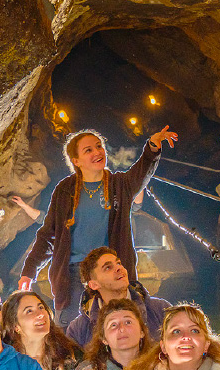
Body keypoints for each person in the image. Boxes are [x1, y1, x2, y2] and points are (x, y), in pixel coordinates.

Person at [18, 125, 178, 329]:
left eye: (99, 146)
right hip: (73, 275)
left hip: (112, 272)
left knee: (121, 328)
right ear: (76, 161)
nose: (97, 152)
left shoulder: (119, 184)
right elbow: (49, 234)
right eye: (89, 150)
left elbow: (141, 173)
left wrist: (153, 147)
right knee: (72, 335)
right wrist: (29, 270)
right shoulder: (65, 190)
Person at [65, 247, 169, 348]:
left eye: (118, 263)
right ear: (94, 285)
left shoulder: (160, 310)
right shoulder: (78, 330)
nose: (119, 268)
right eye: (108, 268)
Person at [0, 291, 82, 370]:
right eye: (29, 311)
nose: (40, 314)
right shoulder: (6, 366)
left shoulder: (71, 355)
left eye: (41, 307)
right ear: (15, 326)